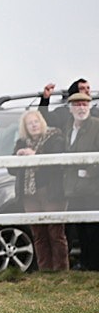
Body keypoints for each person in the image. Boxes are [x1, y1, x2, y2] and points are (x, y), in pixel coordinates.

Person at [8, 111, 68, 271]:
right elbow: (11, 170)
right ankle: (45, 270)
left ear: (41, 122)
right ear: (25, 127)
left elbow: (57, 162)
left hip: (49, 191)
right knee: (39, 234)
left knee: (56, 233)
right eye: (30, 123)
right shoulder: (21, 142)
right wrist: (18, 157)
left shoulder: (55, 137)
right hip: (29, 194)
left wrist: (35, 155)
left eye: (36, 121)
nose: (33, 125)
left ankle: (61, 271)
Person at [62, 92, 99, 271]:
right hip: (74, 189)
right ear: (70, 109)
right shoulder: (69, 128)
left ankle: (93, 264)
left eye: (85, 104)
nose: (81, 108)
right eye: (77, 105)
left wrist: (89, 172)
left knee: (93, 228)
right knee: (80, 227)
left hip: (93, 188)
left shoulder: (96, 126)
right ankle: (85, 262)